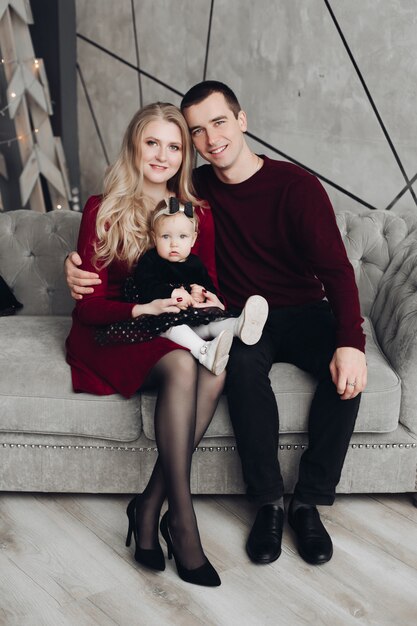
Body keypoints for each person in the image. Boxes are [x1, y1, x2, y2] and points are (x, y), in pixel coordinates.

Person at [65, 82, 368, 568]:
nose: (209, 139)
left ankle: (307, 504)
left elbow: (334, 270)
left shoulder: (272, 190)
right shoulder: (166, 197)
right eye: (196, 132)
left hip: (292, 311)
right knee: (231, 365)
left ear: (242, 121)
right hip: (188, 320)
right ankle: (256, 506)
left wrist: (351, 341)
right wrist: (75, 267)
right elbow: (105, 274)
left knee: (343, 374)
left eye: (217, 124)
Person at [66, 102, 228, 587]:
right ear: (135, 146)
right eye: (152, 143)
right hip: (113, 328)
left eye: (174, 146)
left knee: (216, 367)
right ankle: (182, 524)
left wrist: (204, 298)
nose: (162, 155)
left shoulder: (198, 215)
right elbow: (88, 307)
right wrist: (144, 310)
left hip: (171, 326)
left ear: (185, 155)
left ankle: (148, 508)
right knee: (182, 366)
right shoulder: (103, 208)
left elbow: (209, 285)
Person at [96, 196, 269, 376]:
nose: (174, 243)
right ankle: (203, 351)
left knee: (211, 323)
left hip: (191, 317)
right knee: (175, 328)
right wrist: (171, 292)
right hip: (160, 321)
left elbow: (208, 286)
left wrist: (202, 293)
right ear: (155, 238)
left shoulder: (195, 263)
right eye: (166, 236)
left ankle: (238, 326)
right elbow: (147, 287)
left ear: (193, 240)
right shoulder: (151, 260)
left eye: (182, 236)